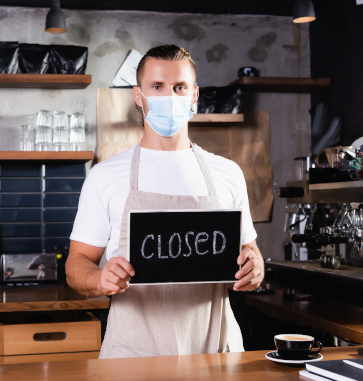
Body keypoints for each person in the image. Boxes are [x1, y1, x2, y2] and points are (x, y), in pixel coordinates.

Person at [66, 44, 264, 359]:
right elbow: (76, 264)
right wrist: (99, 278)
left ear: (194, 96)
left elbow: (250, 254)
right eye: (157, 87)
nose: (169, 96)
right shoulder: (104, 177)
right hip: (133, 355)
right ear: (138, 95)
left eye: (179, 87)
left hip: (215, 354)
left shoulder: (227, 173)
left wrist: (255, 271)